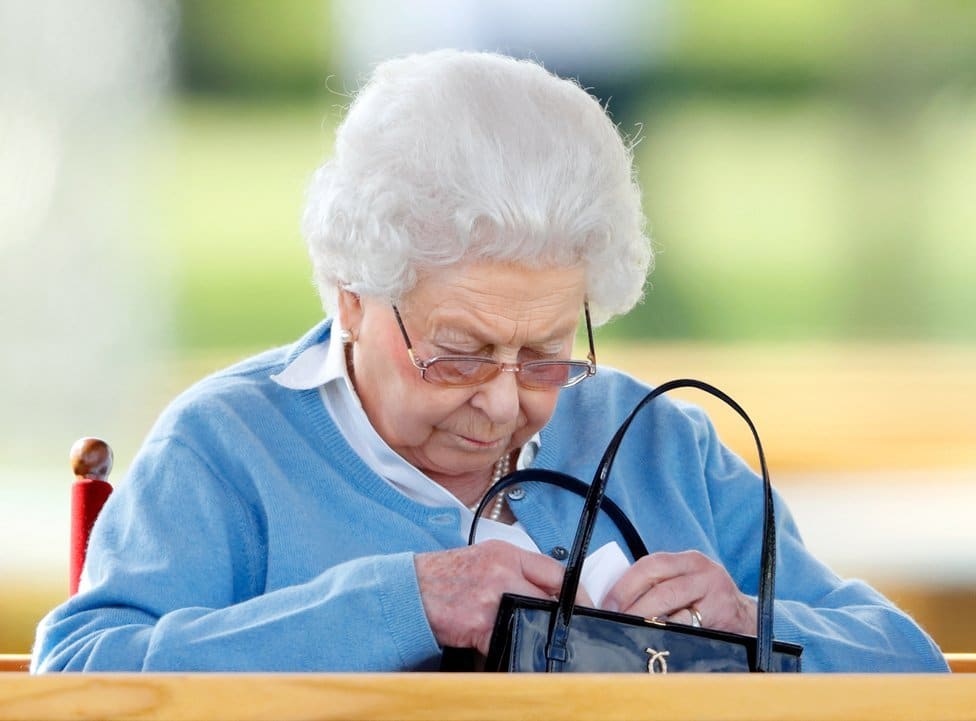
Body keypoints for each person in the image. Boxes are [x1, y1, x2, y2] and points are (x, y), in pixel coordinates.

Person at [32, 50, 947, 673]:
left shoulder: (662, 444)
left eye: (546, 353)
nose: (505, 404)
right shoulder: (230, 446)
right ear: (351, 296)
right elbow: (78, 671)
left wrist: (751, 628)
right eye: (459, 355)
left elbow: (907, 661)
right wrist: (403, 604)